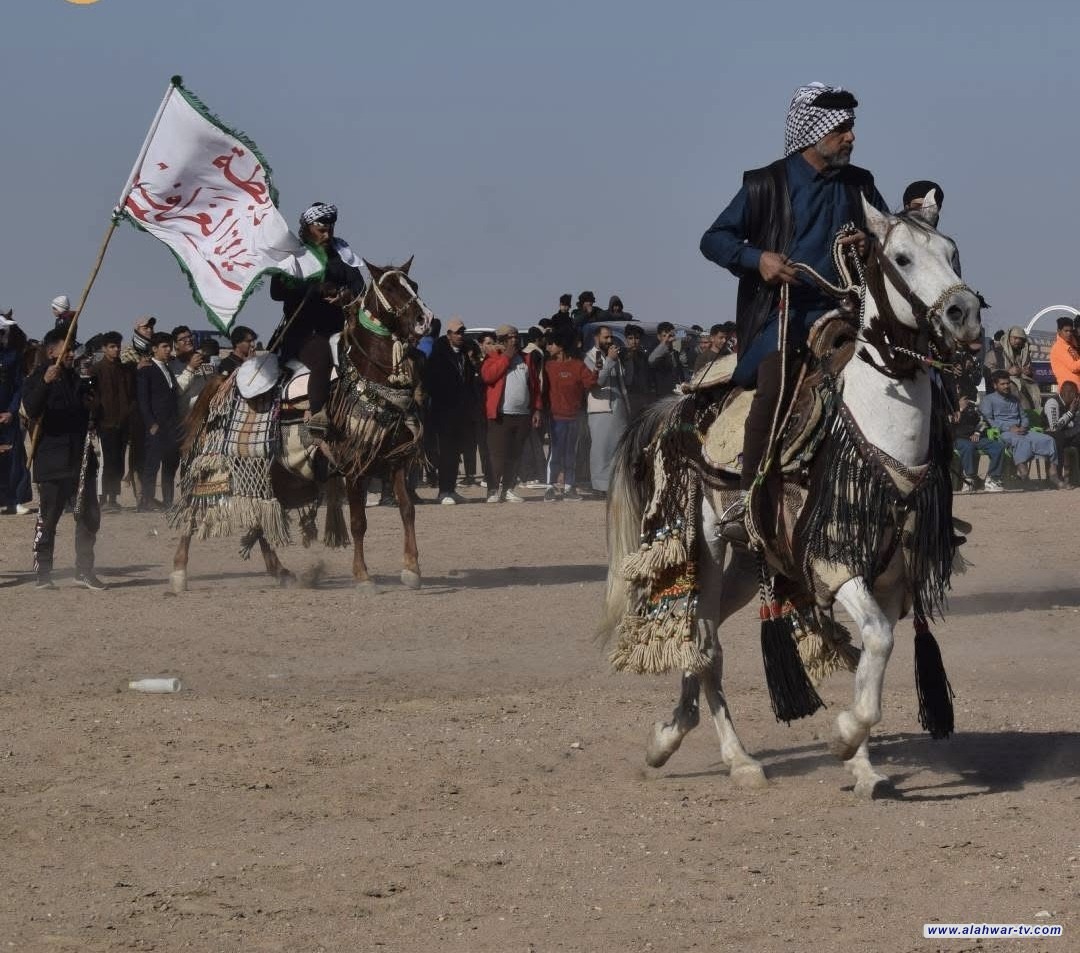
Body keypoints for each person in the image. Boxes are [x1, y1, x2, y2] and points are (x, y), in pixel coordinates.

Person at [699, 81, 888, 537]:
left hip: (847, 314)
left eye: (852, 128)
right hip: (781, 318)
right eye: (843, 129)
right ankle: (750, 501)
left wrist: (872, 240)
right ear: (815, 130)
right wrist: (757, 259)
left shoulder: (859, 183)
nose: (851, 138)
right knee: (775, 387)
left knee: (907, 374)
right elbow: (714, 239)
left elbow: (891, 232)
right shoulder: (765, 184)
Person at [270, 202, 365, 433]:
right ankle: (317, 413)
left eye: (330, 229)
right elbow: (276, 292)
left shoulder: (343, 254)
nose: (327, 234)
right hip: (302, 335)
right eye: (321, 229)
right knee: (322, 355)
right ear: (307, 227)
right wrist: (313, 288)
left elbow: (360, 288)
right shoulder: (293, 254)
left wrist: (345, 295)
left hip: (340, 330)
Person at [22, 328, 105, 590]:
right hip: (52, 461)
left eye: (72, 349)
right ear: (51, 352)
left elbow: (94, 415)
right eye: (66, 349)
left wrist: (94, 404)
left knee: (89, 516)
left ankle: (84, 570)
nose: (71, 354)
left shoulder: (78, 378)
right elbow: (31, 410)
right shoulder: (36, 377)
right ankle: (44, 573)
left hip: (81, 461)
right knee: (48, 519)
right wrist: (46, 383)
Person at [480, 325, 541, 503]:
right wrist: (506, 357)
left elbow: (535, 386)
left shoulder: (526, 359)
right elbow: (488, 376)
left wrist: (536, 408)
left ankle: (508, 489)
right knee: (496, 455)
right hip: (501, 415)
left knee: (515, 455)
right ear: (501, 340)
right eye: (510, 337)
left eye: (515, 337)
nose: (514, 340)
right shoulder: (492, 358)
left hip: (522, 415)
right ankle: (493, 490)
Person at [980, 370, 1064, 488]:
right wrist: (1009, 428)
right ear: (995, 385)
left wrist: (1023, 426)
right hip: (1003, 432)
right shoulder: (988, 400)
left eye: (1008, 383)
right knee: (1020, 441)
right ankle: (1024, 476)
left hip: (1022, 430)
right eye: (1002, 384)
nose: (1006, 386)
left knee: (1048, 440)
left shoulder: (1014, 399)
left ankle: (1053, 475)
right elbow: (989, 421)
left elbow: (1024, 416)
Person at [424, 317, 476, 504]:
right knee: (445, 452)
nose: (460, 336)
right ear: (449, 334)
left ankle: (451, 489)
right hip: (443, 412)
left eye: (462, 332)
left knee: (455, 453)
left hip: (460, 413)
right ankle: (443, 491)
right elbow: (430, 382)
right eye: (457, 332)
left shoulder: (463, 355)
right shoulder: (438, 355)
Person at [543, 330, 597, 501]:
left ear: (560, 347)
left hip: (574, 417)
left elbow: (591, 382)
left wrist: (597, 369)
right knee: (556, 453)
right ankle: (549, 488)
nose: (548, 347)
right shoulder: (548, 366)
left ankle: (568, 487)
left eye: (551, 344)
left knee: (570, 453)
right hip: (555, 417)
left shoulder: (578, 366)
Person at [584, 324, 632, 498]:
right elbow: (597, 382)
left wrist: (625, 359)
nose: (609, 340)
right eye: (606, 337)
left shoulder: (614, 356)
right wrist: (610, 361)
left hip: (618, 408)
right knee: (601, 449)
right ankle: (598, 486)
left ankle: (615, 484)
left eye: (611, 337)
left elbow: (625, 379)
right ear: (597, 338)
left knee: (618, 449)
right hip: (600, 409)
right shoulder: (589, 357)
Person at [136, 332, 181, 511]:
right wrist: (151, 423)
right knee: (152, 465)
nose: (168, 350)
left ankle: (168, 501)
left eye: (169, 346)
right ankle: (145, 501)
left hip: (171, 425)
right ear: (154, 349)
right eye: (164, 347)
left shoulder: (168, 368)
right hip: (156, 425)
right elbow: (143, 399)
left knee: (169, 465)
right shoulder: (146, 369)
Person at [91, 331, 135, 511]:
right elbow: (94, 398)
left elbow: (129, 394)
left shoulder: (123, 369)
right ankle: (105, 497)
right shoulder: (97, 369)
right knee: (108, 461)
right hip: (105, 422)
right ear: (104, 348)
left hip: (122, 422)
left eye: (117, 346)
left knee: (118, 462)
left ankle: (113, 498)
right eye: (112, 346)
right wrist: (94, 421)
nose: (116, 350)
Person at [951, 342, 1003, 492]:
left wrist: (977, 432)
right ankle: (969, 478)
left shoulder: (971, 394)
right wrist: (959, 408)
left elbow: (982, 417)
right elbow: (947, 421)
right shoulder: (947, 397)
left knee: (997, 446)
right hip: (957, 437)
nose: (969, 364)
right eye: (966, 362)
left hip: (974, 435)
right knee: (966, 447)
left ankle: (992, 479)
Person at [0, 314, 33, 515]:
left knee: (14, 459)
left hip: (8, 417)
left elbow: (18, 387)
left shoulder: (13, 357)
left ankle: (15, 500)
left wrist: (11, 412)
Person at [1043, 380, 1080, 480]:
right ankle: (1057, 477)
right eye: (1075, 394)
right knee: (1059, 437)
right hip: (1050, 436)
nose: (1076, 397)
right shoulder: (1052, 402)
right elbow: (1054, 428)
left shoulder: (1072, 404)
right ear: (1067, 393)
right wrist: (1070, 412)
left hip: (1066, 434)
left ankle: (1074, 476)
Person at [620, 323, 651, 419]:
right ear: (626, 339)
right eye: (630, 338)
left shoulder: (643, 356)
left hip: (641, 396)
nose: (634, 341)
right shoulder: (620, 355)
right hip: (626, 396)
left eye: (637, 338)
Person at [648, 321, 686, 396]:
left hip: (677, 390)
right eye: (664, 336)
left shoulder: (675, 347)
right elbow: (651, 360)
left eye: (670, 335)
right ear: (659, 337)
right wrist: (665, 342)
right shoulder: (655, 349)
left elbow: (685, 334)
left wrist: (676, 337)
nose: (668, 338)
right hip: (662, 392)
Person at [1049, 316, 1080, 391]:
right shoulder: (1058, 348)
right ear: (1059, 331)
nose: (1069, 334)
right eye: (1066, 331)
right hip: (1068, 391)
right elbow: (1073, 367)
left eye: (1070, 331)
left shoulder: (1069, 346)